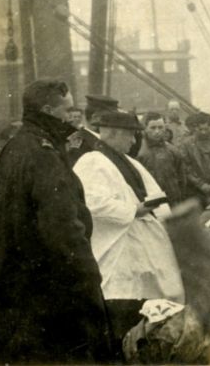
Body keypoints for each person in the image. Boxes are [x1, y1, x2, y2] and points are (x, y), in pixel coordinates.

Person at [0, 79, 112, 364]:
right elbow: (62, 230)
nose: (72, 117)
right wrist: (89, 279)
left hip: (16, 289)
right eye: (68, 109)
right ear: (49, 110)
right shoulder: (44, 155)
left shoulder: (15, 147)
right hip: (49, 290)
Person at [73, 111, 185, 354]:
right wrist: (133, 210)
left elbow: (155, 193)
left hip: (142, 244)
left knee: (150, 302)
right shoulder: (92, 162)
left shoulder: (129, 162)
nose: (134, 141)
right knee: (122, 301)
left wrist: (164, 216)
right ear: (112, 133)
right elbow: (91, 202)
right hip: (117, 247)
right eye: (130, 135)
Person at [137, 112, 186, 204]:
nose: (157, 131)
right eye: (153, 128)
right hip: (151, 200)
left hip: (173, 200)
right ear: (145, 129)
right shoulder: (139, 151)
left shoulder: (172, 150)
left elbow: (181, 178)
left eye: (160, 127)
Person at [67, 94, 119, 166]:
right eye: (111, 118)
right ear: (95, 118)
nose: (115, 123)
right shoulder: (81, 142)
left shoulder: (101, 141)